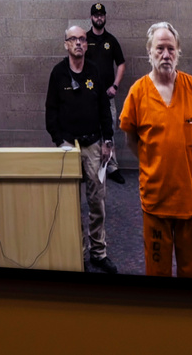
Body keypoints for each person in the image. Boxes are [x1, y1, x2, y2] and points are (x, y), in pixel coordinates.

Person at [120, 22, 192, 278]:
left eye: (171, 49)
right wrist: (150, 161)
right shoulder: (138, 93)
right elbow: (130, 136)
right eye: (160, 48)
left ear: (178, 52)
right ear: (149, 52)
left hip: (190, 197)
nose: (166, 54)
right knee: (158, 272)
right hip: (156, 198)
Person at [45, 25, 117, 273]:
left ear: (87, 44)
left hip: (94, 145)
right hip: (68, 146)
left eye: (82, 39)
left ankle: (98, 252)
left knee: (97, 202)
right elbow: (50, 112)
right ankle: (78, 254)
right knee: (70, 203)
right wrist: (58, 141)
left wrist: (108, 141)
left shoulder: (94, 71)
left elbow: (104, 110)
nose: (78, 43)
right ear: (65, 44)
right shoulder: (58, 74)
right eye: (73, 39)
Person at [85, 2, 127, 184]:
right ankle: (88, 167)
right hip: (88, 97)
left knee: (108, 130)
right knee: (87, 129)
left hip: (107, 96)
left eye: (101, 15)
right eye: (96, 15)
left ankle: (112, 167)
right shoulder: (84, 39)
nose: (99, 18)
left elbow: (122, 64)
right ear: (91, 17)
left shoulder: (111, 40)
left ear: (105, 17)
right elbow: (78, 64)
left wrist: (115, 86)